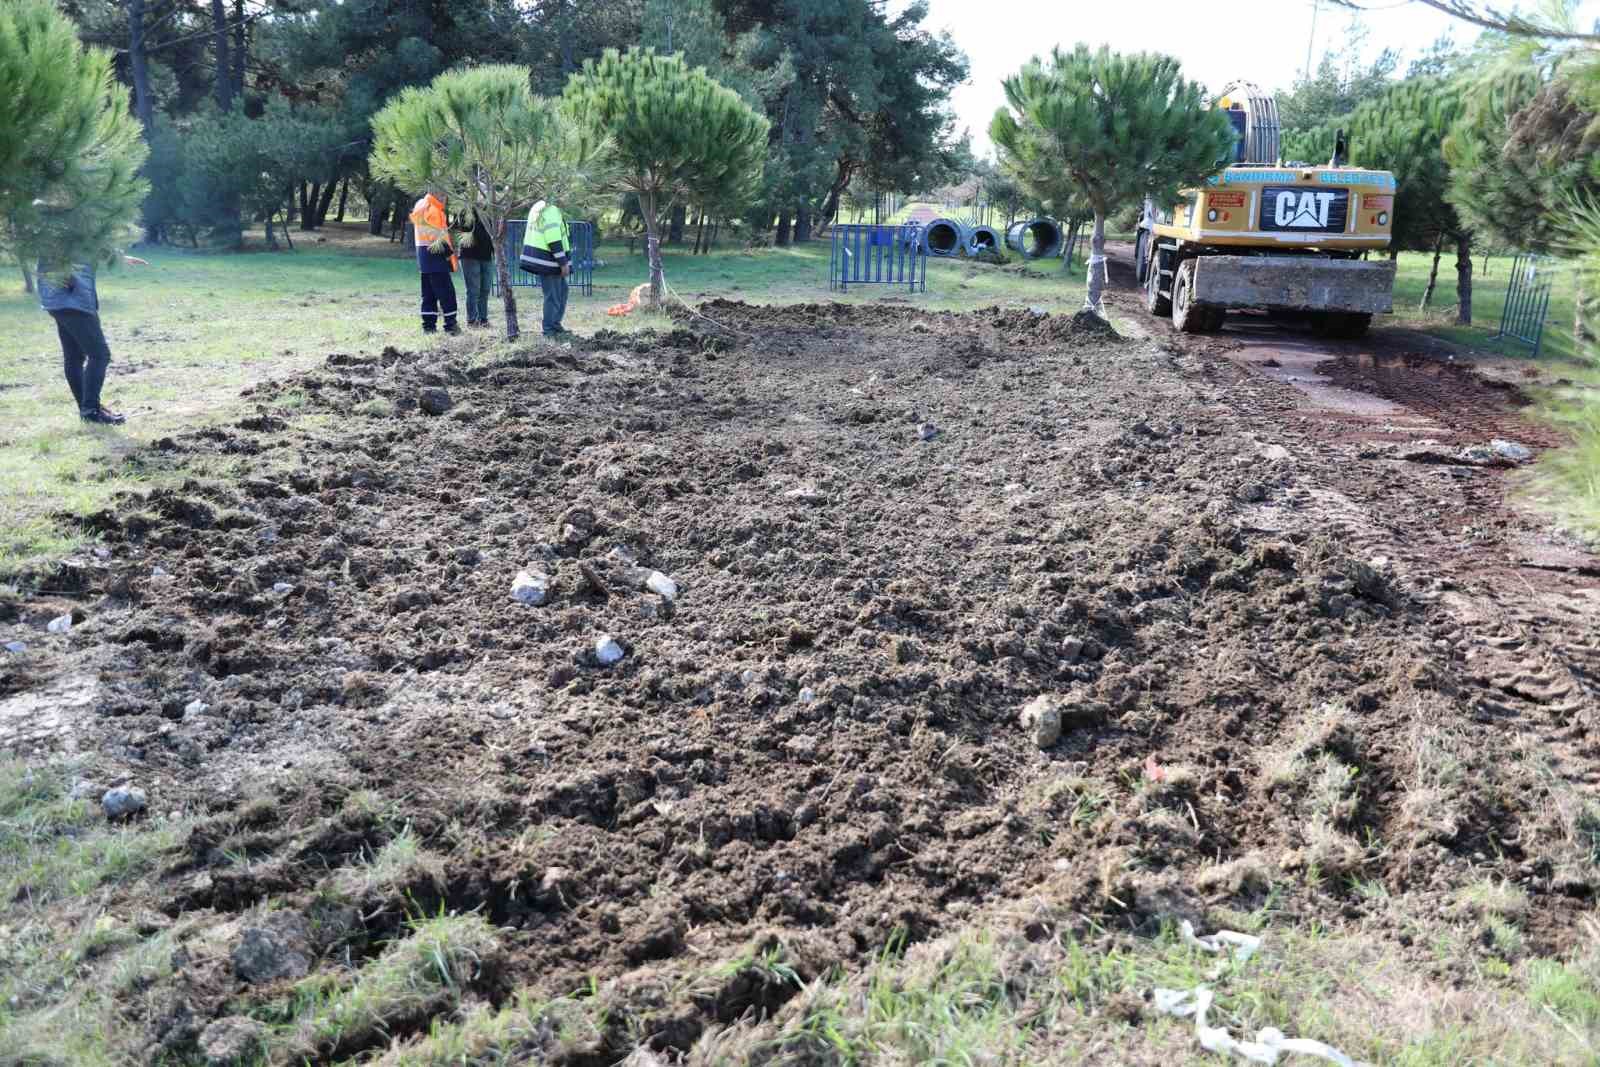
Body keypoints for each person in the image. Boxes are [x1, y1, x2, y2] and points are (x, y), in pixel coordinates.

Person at [37, 255, 148, 426]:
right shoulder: (63, 231)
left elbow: (88, 242)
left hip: (61, 299)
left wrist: (116, 255)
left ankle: (88, 409)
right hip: (72, 299)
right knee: (99, 355)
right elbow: (78, 242)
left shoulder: (56, 231)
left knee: (74, 357)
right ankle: (90, 411)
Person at [518, 199, 572, 337]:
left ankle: (554, 324)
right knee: (553, 296)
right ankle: (549, 329)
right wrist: (563, 262)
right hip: (549, 261)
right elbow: (553, 239)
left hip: (544, 259)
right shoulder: (551, 210)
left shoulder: (538, 206)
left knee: (561, 291)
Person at [409, 189, 460, 335]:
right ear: (439, 194)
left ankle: (429, 326)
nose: (447, 199)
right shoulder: (434, 209)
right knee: (447, 294)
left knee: (428, 295)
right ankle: (451, 326)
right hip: (437, 257)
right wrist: (449, 254)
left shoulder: (420, 204)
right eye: (445, 195)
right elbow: (436, 237)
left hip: (424, 258)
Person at [456, 208, 494, 329]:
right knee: (473, 290)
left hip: (487, 256)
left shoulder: (490, 210)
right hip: (470, 256)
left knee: (485, 289)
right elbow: (464, 229)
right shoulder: (465, 210)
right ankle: (472, 320)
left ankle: (483, 319)